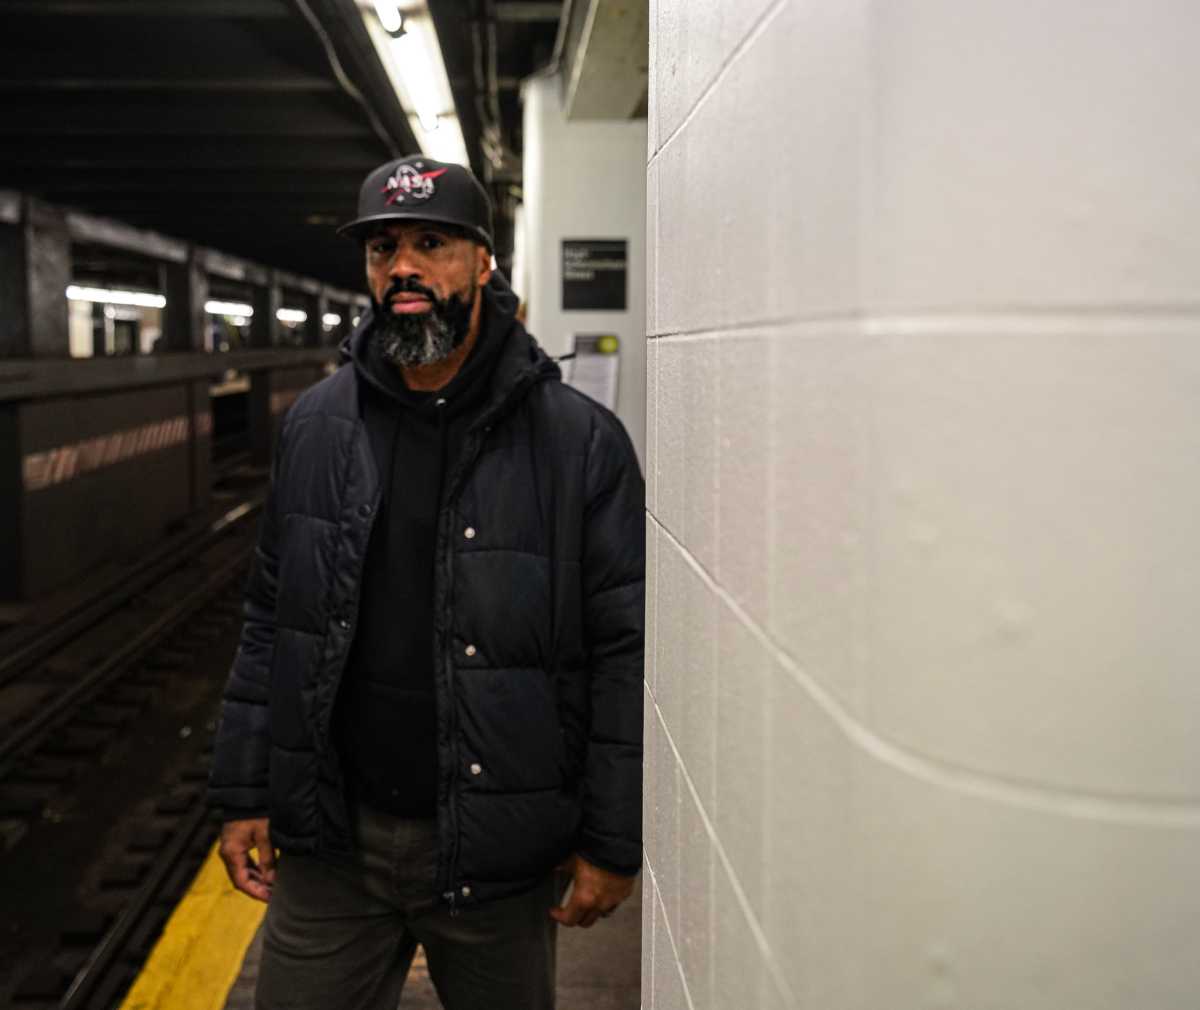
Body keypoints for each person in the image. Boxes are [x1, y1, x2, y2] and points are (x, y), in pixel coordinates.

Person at [208, 155, 645, 1010]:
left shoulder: (578, 442)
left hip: (497, 850)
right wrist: (244, 788)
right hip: (333, 844)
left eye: (431, 244)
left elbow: (623, 651)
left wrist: (611, 837)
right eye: (383, 249)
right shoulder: (317, 426)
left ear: (483, 262)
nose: (402, 267)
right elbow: (271, 618)